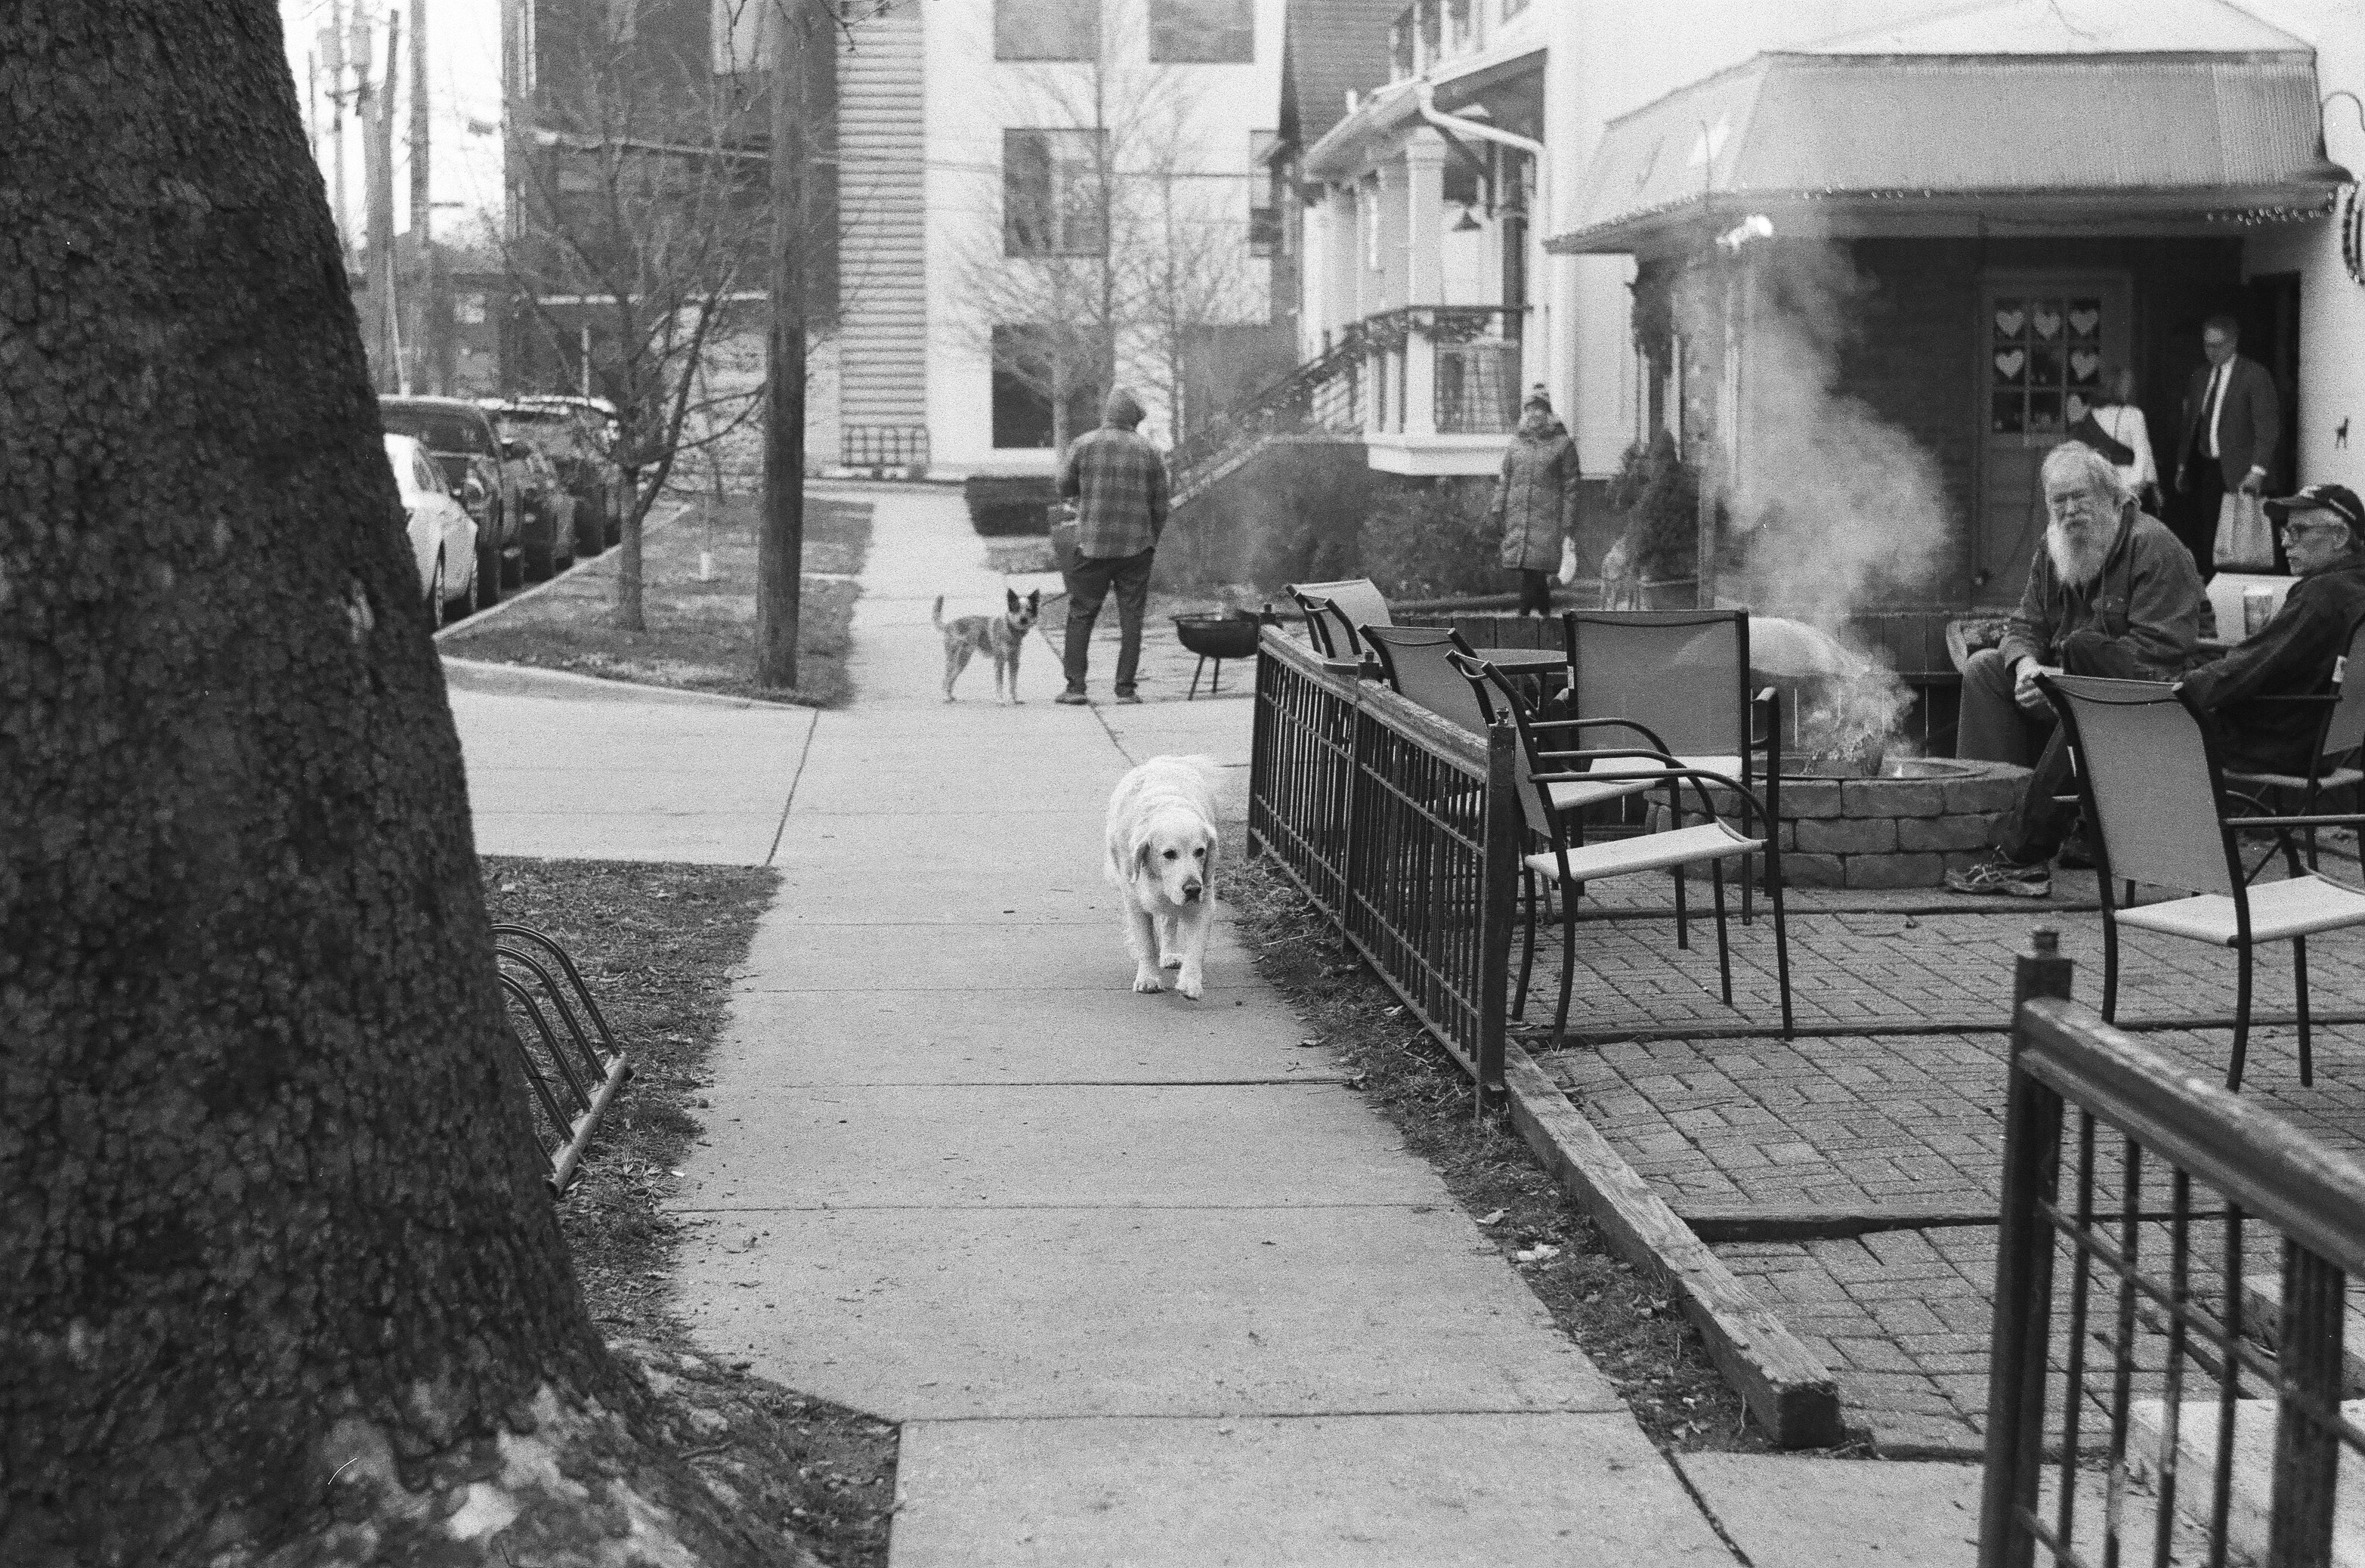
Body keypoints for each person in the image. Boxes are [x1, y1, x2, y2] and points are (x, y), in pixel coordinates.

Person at [1947, 442, 2204, 897]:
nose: (2068, 511)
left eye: (2079, 497)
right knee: (1986, 668)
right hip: (2067, 689)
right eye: (2057, 501)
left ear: (2112, 497)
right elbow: (2023, 625)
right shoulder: (2054, 549)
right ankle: (1984, 820)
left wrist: (2060, 682)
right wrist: (2029, 669)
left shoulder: (2156, 548)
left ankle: (2023, 850)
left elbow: (2156, 652)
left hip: (2137, 700)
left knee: (2088, 694)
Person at [2178, 484, 2365, 776]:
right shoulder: (2354, 586)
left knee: (2155, 728)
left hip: (2280, 744)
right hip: (2339, 747)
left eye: (2299, 531)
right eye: (2285, 532)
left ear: (2340, 537)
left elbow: (2249, 668)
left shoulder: (2321, 595)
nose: (2286, 543)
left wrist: (2175, 690)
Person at [1055, 388, 1169, 706]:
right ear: (1134, 418)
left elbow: (1064, 487)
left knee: (1081, 614)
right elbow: (1162, 506)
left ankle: (1075, 688)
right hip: (1136, 549)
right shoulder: (1150, 451)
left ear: (1108, 413)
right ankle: (1125, 689)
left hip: (1091, 545)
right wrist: (1150, 542)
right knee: (1131, 619)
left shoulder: (1083, 444)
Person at [2175, 314, 2280, 577]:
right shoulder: (2200, 376)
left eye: (2219, 345)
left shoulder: (2254, 375)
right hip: (2206, 465)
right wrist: (2181, 465)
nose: (2212, 351)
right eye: (2207, 345)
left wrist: (2258, 471)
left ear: (2234, 342)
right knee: (2207, 535)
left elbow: (2267, 426)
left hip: (2241, 469)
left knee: (2241, 540)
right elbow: (2190, 424)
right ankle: (2208, 591)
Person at [1489, 386, 1578, 617]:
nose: (1534, 414)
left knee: (1535, 570)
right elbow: (1505, 478)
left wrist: (1568, 522)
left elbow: (1571, 486)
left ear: (1548, 413)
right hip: (1518, 517)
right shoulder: (1516, 444)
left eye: (1539, 409)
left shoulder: (1563, 445)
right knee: (1531, 571)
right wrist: (1498, 508)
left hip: (1548, 520)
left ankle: (1523, 616)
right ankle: (1544, 617)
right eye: (1529, 409)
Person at [2082, 366, 2159, 515]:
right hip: (2128, 482)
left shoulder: (2091, 414)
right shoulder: (2133, 415)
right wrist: (2137, 489)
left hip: (2099, 483)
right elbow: (2143, 453)